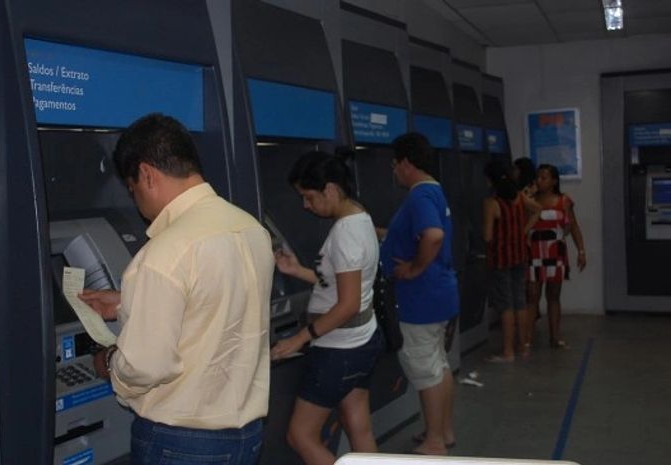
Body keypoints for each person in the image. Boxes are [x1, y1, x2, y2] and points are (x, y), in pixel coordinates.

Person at [79, 113, 274, 465]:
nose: (136, 201)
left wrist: (107, 361)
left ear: (146, 174)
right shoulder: (251, 229)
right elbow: (216, 304)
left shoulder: (164, 253)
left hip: (181, 443)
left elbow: (145, 367)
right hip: (245, 436)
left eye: (132, 189)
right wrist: (128, 302)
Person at [270, 151, 383, 465]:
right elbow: (340, 284)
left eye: (308, 197)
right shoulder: (360, 217)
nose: (306, 206)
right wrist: (297, 271)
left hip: (339, 350)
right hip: (362, 341)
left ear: (330, 190)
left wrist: (299, 338)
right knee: (358, 425)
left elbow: (347, 305)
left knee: (300, 435)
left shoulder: (346, 233)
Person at [379, 133, 459, 455]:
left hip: (419, 299)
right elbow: (418, 234)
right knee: (438, 365)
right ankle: (443, 431)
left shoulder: (419, 195)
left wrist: (413, 268)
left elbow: (433, 235)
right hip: (438, 295)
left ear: (406, 163)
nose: (394, 171)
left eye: (394, 164)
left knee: (425, 371)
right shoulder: (434, 191)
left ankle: (434, 443)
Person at [483, 160, 541, 362]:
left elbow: (488, 236)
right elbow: (538, 209)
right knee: (520, 302)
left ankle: (508, 352)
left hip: (501, 260)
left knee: (506, 306)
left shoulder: (492, 203)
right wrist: (523, 231)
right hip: (519, 256)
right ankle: (523, 347)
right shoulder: (519, 198)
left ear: (490, 180)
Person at [527, 164, 586, 349]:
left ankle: (555, 337)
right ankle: (527, 338)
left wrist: (581, 251)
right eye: (538, 177)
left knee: (553, 295)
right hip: (534, 251)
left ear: (554, 181)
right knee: (532, 295)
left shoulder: (564, 200)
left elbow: (574, 227)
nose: (539, 180)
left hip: (556, 251)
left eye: (544, 177)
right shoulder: (529, 200)